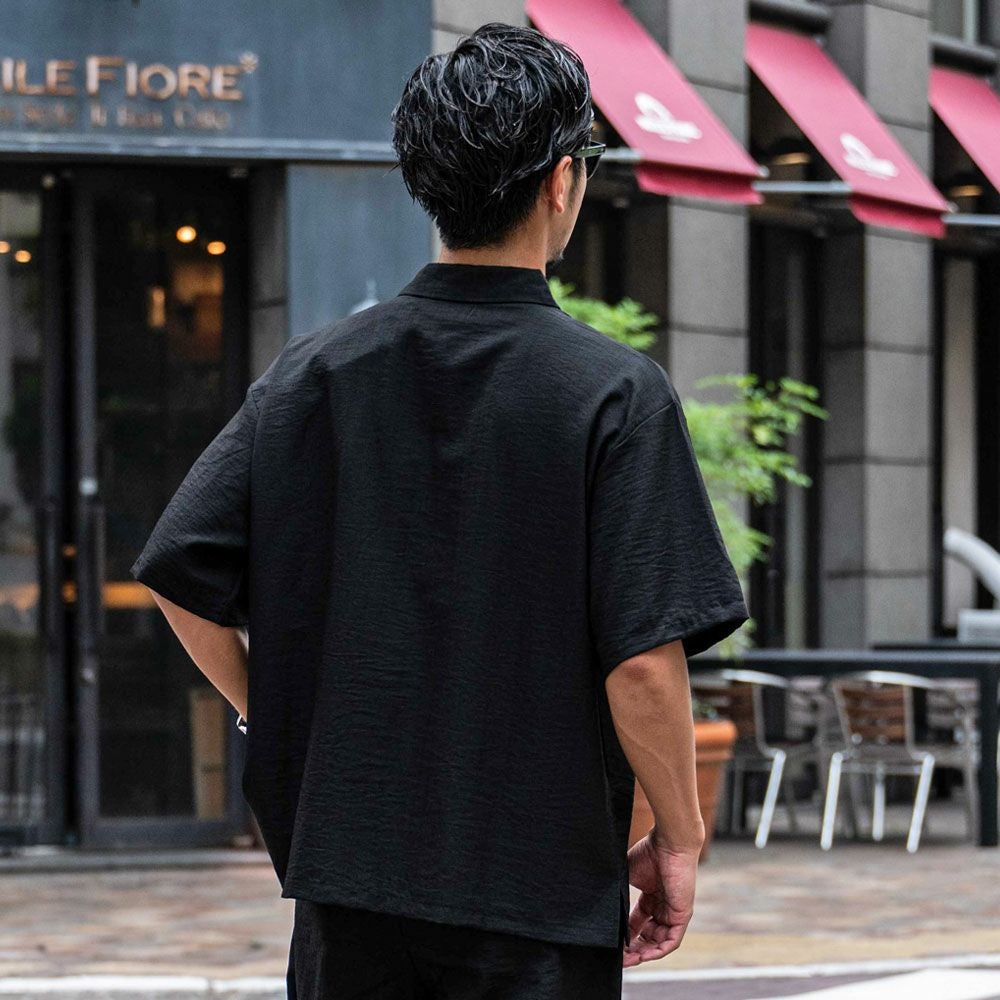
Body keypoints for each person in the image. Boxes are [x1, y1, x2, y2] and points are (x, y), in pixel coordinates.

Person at [130, 20, 749, 1000]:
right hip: (536, 896)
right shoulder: (611, 394)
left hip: (350, 886)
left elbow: (180, 571)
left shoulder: (315, 373)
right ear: (559, 181)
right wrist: (678, 835)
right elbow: (640, 661)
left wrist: (275, 707)